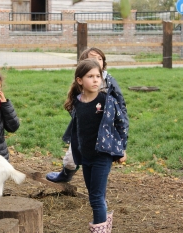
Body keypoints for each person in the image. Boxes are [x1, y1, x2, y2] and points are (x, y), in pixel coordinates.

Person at [62, 58, 128, 232]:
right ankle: (105, 223)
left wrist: (122, 149)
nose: (95, 80)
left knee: (96, 197)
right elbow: (78, 128)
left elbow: (121, 124)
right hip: (85, 157)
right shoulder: (77, 102)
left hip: (102, 155)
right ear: (79, 80)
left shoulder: (107, 101)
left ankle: (100, 229)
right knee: (95, 195)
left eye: (98, 76)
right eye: (90, 76)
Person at [46, 47, 128, 183]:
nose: (96, 61)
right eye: (92, 58)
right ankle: (66, 174)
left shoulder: (109, 82)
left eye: (100, 59)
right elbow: (72, 104)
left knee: (100, 166)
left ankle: (98, 193)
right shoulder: (81, 83)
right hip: (84, 131)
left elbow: (121, 109)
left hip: (105, 133)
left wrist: (122, 145)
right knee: (71, 159)